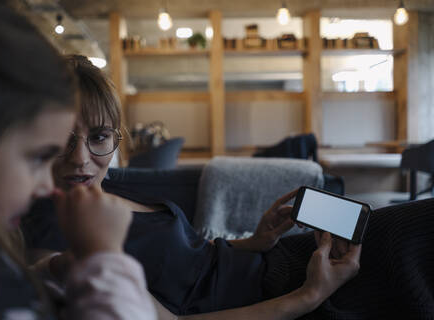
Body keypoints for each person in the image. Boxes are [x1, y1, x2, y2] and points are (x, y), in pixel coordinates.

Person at [23, 55, 434, 319]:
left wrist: (254, 241)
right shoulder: (56, 234)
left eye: (98, 137)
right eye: (62, 138)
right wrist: (310, 295)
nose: (80, 159)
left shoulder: (107, 195)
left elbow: (192, 259)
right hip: (275, 299)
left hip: (279, 263)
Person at [0, 2, 155, 319]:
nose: (47, 182)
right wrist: (105, 258)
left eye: (100, 137)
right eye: (38, 157)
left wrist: (51, 270)